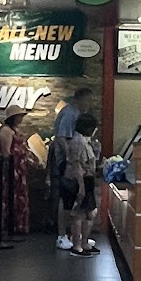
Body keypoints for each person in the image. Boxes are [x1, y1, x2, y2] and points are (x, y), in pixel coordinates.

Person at [52, 85, 94, 251]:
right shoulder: (69, 114)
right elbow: (61, 138)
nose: (89, 104)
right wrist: (70, 158)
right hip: (65, 162)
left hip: (71, 162)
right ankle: (62, 235)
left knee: (74, 198)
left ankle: (74, 235)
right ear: (79, 99)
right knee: (66, 198)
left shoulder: (76, 113)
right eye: (87, 100)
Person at [63, 112, 101, 255]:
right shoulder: (78, 142)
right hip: (80, 180)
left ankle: (84, 243)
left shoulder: (84, 141)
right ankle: (77, 245)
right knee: (79, 214)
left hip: (87, 180)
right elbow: (77, 166)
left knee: (89, 213)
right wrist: (81, 186)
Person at [0, 108, 31, 244]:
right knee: (9, 195)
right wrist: (12, 170)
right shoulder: (6, 131)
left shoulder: (14, 130)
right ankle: (7, 226)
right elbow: (6, 152)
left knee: (18, 197)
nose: (21, 118)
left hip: (19, 169)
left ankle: (16, 226)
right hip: (12, 169)